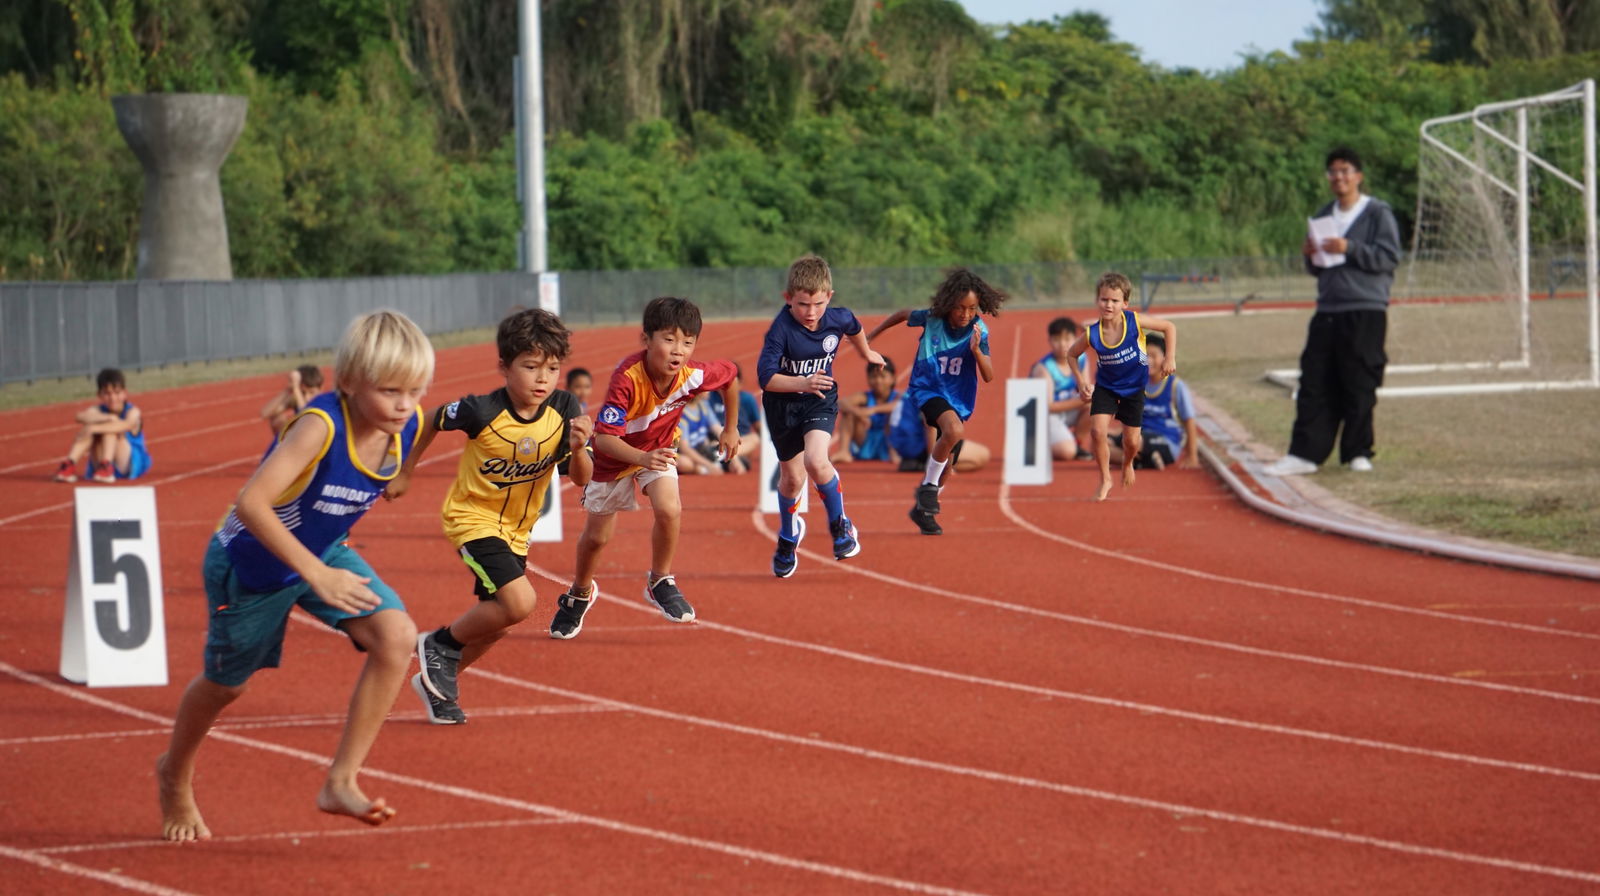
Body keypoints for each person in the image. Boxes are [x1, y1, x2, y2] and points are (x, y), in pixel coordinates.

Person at [156, 310, 434, 842]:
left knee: (397, 637)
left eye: (416, 390)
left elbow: (407, 454)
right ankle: (174, 773)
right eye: (391, 390)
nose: (405, 404)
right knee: (225, 687)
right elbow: (252, 503)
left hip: (321, 551)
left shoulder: (409, 424)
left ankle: (340, 781)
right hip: (252, 564)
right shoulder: (318, 427)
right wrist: (316, 573)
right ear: (347, 383)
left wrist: (399, 479)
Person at [389, 308, 594, 724]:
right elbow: (431, 418)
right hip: (472, 518)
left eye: (552, 369)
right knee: (521, 602)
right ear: (505, 366)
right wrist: (406, 470)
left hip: (518, 532)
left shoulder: (565, 407)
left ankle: (437, 684)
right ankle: (436, 645)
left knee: (496, 624)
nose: (542, 379)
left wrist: (580, 446)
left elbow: (581, 477)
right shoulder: (480, 411)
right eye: (531, 367)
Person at [547, 296, 741, 638]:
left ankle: (659, 580)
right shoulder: (627, 378)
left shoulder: (693, 374)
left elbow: (731, 377)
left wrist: (731, 427)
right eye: (668, 340)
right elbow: (605, 440)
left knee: (669, 508)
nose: (678, 350)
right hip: (615, 456)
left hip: (659, 447)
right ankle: (580, 592)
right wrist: (639, 459)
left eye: (688, 342)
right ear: (646, 339)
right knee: (596, 538)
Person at [1266, 147, 1401, 476]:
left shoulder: (1377, 213)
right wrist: (1310, 255)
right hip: (1328, 307)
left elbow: (1389, 257)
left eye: (1345, 171)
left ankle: (1357, 452)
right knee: (1314, 380)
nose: (1339, 177)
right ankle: (1305, 454)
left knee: (1359, 380)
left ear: (1359, 176)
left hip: (1365, 308)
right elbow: (1318, 270)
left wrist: (1349, 247)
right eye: (1333, 172)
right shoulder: (1324, 215)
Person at [759, 254, 885, 577]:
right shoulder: (780, 331)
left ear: (829, 297)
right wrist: (801, 381)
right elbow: (766, 378)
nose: (811, 313)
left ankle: (840, 528)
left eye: (818, 304)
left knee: (816, 460)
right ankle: (789, 535)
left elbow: (854, 326)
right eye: (802, 305)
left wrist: (866, 351)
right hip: (783, 405)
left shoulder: (836, 318)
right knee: (793, 478)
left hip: (819, 398)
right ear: (788, 299)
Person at [866, 268, 1006, 535]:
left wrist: (976, 351)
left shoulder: (978, 330)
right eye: (959, 308)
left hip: (959, 400)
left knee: (948, 466)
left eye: (972, 308)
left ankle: (923, 510)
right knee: (954, 431)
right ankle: (928, 489)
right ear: (948, 304)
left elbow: (989, 376)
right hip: (927, 389)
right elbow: (903, 313)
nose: (965, 314)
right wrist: (873, 334)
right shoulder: (932, 319)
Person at [1067, 271, 1179, 502]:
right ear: (1097, 300)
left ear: (1124, 303)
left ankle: (1128, 462)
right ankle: (1106, 478)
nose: (1109, 305)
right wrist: (1081, 382)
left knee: (1132, 441)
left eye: (1115, 301)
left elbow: (1169, 327)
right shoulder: (1092, 333)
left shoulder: (1134, 321)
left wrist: (1170, 357)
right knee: (1098, 431)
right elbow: (1071, 355)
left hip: (1134, 388)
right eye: (1104, 299)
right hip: (1106, 387)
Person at [1107, 334, 1198, 470]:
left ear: (1166, 358)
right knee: (1100, 443)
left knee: (1134, 440)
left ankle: (1140, 459)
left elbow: (1189, 421)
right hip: (1138, 436)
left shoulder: (1175, 386)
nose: (1148, 361)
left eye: (1153, 356)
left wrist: (1192, 456)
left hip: (1166, 440)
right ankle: (1143, 461)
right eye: (1145, 355)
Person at [52, 367, 151, 483]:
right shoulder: (99, 410)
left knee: (107, 428)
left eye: (117, 393)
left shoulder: (133, 411)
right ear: (99, 395)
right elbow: (79, 416)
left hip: (127, 463)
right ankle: (69, 464)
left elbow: (127, 425)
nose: (113, 398)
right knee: (95, 425)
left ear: (125, 394)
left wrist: (94, 428)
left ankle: (106, 467)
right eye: (107, 394)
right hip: (101, 461)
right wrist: (107, 417)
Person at [1029, 318, 1091, 461]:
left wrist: (1087, 397)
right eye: (1057, 339)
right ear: (1049, 341)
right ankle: (1036, 443)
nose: (1062, 344)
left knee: (1097, 406)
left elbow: (1086, 388)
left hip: (1067, 410)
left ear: (1075, 339)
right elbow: (1047, 407)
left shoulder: (1081, 359)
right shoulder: (1044, 368)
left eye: (1067, 339)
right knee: (1066, 452)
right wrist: (1082, 400)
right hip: (1045, 416)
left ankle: (1078, 443)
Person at [831, 356, 901, 464]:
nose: (878, 381)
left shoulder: (897, 396)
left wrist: (872, 410)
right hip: (866, 439)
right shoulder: (865, 397)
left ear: (893, 378)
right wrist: (858, 413)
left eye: (883, 376)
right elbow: (840, 403)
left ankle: (894, 452)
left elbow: (900, 405)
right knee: (848, 413)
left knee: (895, 414)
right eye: (873, 376)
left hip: (888, 440)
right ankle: (844, 451)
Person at [704, 363, 762, 473]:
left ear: (739, 384)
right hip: (717, 440)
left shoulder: (747, 399)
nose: (726, 388)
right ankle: (726, 457)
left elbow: (758, 426)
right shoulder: (709, 397)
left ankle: (723, 456)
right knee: (712, 443)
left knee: (755, 439)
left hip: (740, 442)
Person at [260, 364, 325, 436]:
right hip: (301, 440)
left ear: (321, 389)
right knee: (277, 419)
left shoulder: (323, 402)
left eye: (311, 392)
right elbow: (265, 413)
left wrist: (296, 389)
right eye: (302, 393)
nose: (307, 397)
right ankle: (283, 445)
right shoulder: (297, 399)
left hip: (317, 441)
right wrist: (288, 389)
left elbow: (305, 415)